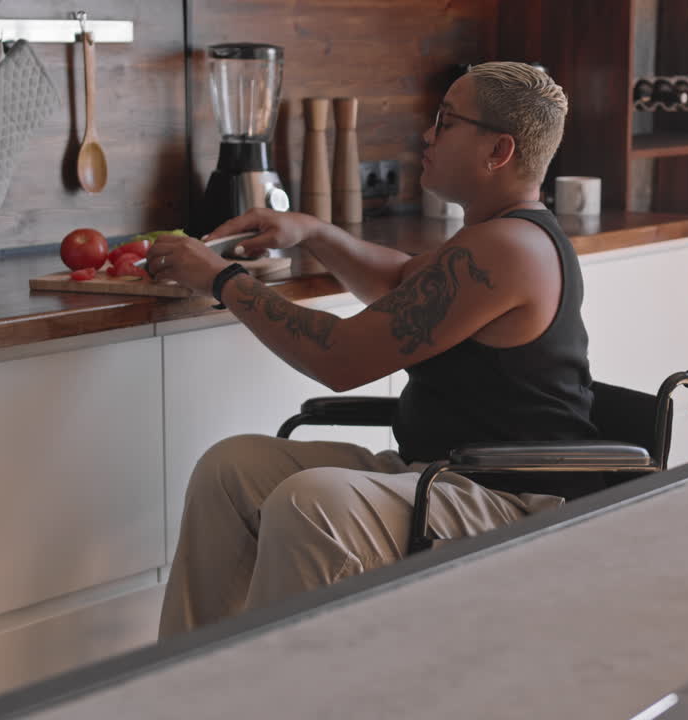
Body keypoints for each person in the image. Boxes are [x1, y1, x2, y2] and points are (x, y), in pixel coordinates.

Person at [149, 62, 597, 637]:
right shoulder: (495, 235)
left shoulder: (509, 248)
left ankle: (265, 692)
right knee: (231, 468)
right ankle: (183, 686)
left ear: (499, 150)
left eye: (446, 121)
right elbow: (401, 284)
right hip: (440, 476)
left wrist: (221, 280)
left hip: (511, 498)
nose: (428, 135)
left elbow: (340, 358)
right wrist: (312, 230)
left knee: (310, 501)